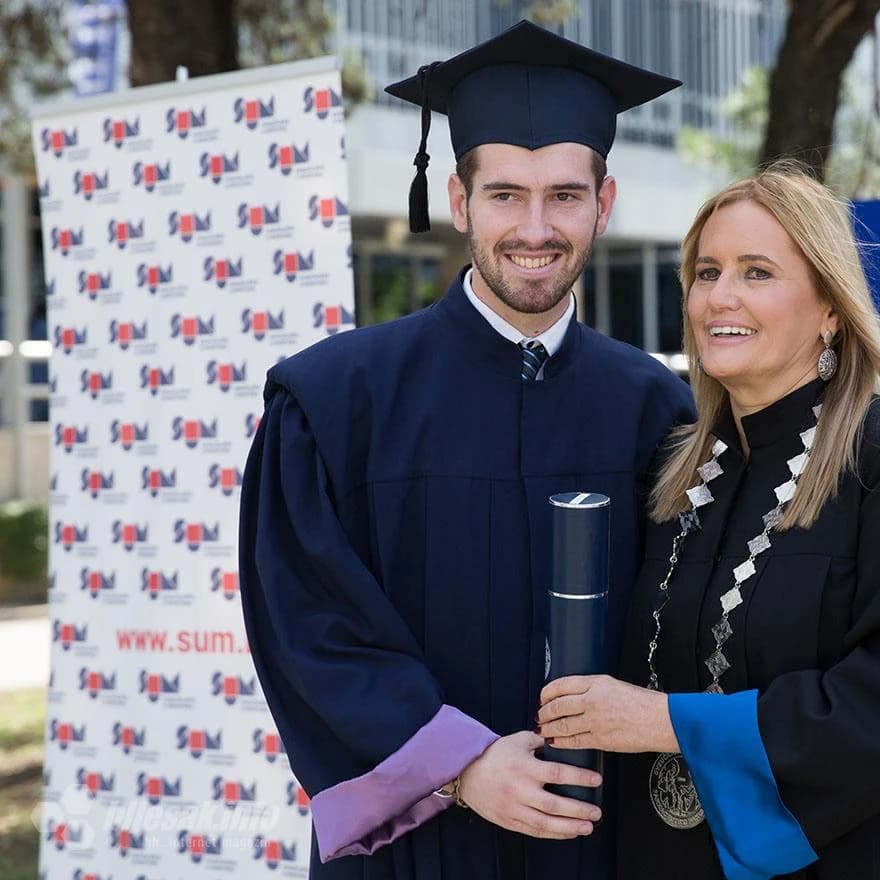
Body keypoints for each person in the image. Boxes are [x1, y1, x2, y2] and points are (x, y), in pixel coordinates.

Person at [238, 20, 694, 880]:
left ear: (604, 203)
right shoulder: (335, 401)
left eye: (564, 195)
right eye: (505, 194)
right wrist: (462, 766)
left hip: (598, 840)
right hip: (418, 847)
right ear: (458, 202)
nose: (536, 226)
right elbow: (310, 626)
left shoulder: (658, 411)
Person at [538, 168, 880, 879]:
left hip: (855, 857)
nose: (721, 296)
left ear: (830, 309)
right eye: (707, 271)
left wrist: (664, 723)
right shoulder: (676, 471)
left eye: (758, 273)